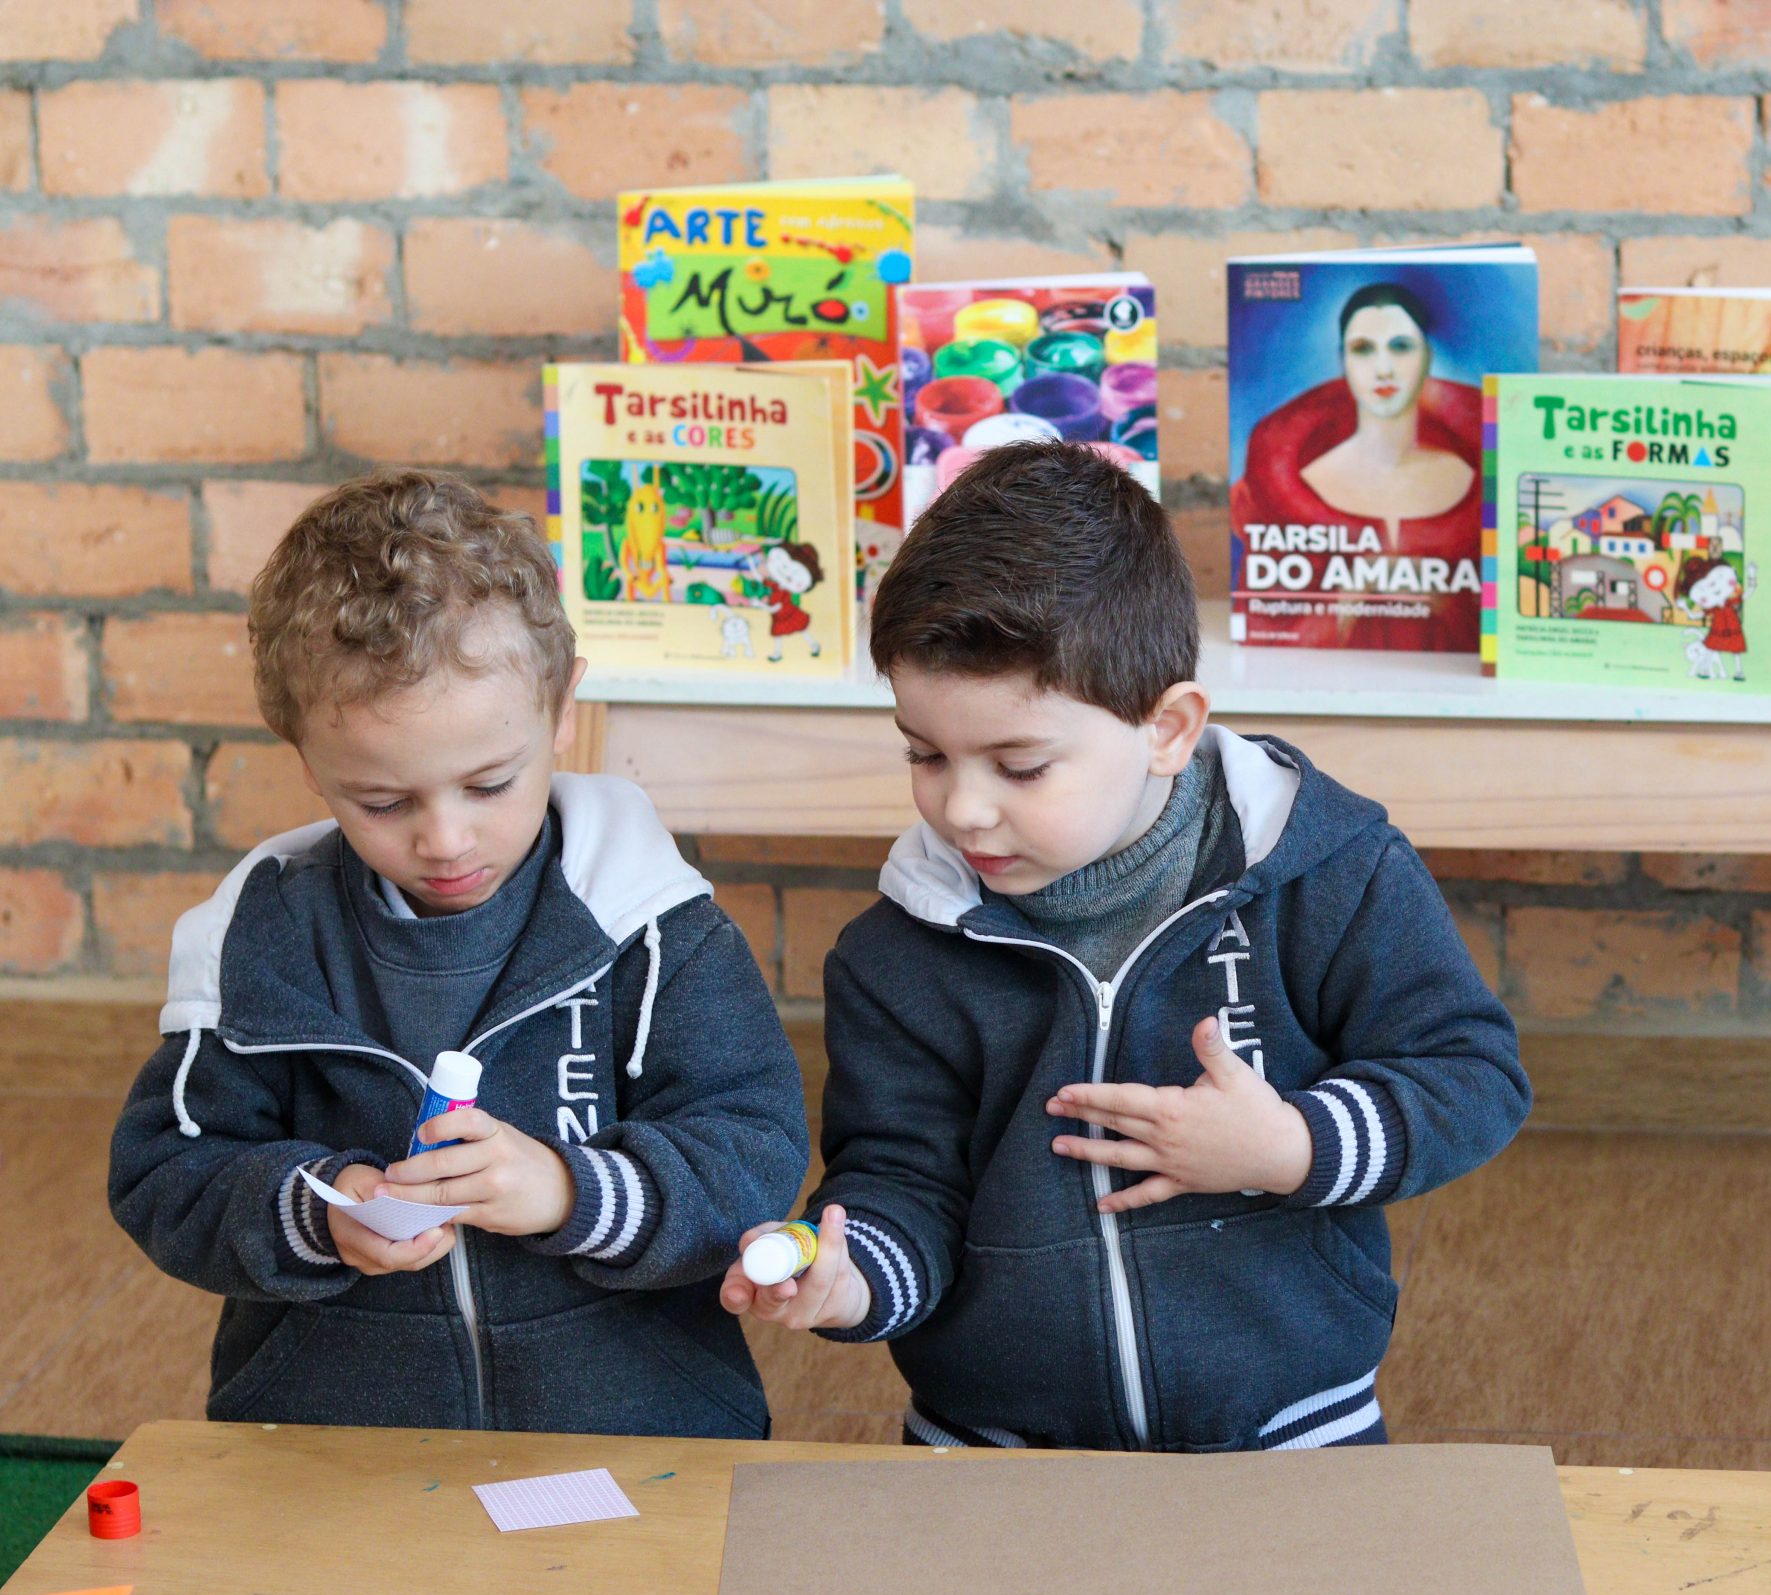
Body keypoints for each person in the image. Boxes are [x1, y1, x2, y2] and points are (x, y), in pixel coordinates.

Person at [726, 442, 1531, 1451]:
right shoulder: (897, 956)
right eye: (925, 754)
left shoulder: (1331, 872)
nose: (962, 808)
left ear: (1168, 729)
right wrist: (850, 1279)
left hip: (1293, 1431)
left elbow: (1471, 1074)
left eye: (1021, 766)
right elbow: (904, 1184)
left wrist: (1291, 1145)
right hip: (991, 1449)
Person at [108, 470, 807, 1437]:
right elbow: (165, 1171)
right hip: (331, 1443)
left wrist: (571, 1190)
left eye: (489, 784)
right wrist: (319, 1212)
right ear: (307, 762)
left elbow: (754, 1148)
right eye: (383, 802)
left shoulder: (650, 922)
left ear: (562, 709)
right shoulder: (259, 941)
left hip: (642, 1428)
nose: (445, 840)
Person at [1228, 281, 1485, 651]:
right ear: (1342, 361)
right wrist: (1349, 594)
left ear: (1427, 357)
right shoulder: (1291, 486)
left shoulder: (1474, 482)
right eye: (1363, 349)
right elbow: (1260, 625)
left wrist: (1442, 598)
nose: (1383, 369)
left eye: (1401, 347)